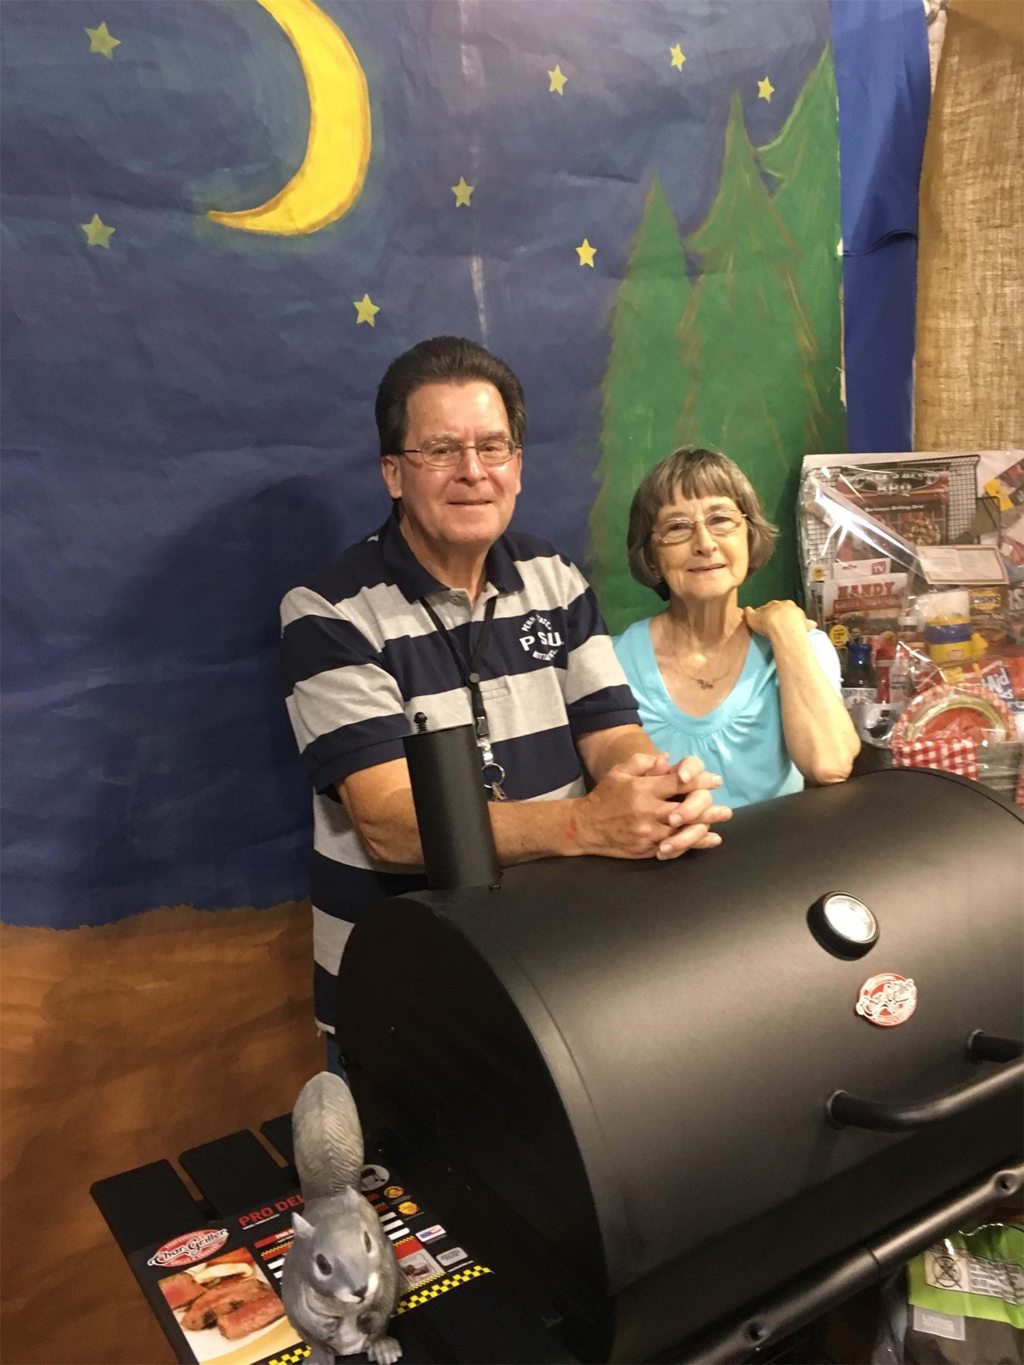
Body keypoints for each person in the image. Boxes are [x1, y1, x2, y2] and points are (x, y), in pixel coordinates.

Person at [280, 339, 730, 1051]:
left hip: (554, 975)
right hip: (402, 996)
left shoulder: (555, 576)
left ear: (517, 465)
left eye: (493, 447)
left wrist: (651, 789)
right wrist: (587, 825)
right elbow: (389, 826)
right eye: (440, 451)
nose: (473, 473)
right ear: (393, 473)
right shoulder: (328, 612)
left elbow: (612, 733)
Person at [614, 446, 859, 809]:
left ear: (749, 534)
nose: (705, 544)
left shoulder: (802, 645)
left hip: (776, 862)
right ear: (651, 554)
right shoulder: (613, 661)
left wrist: (788, 633)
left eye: (721, 520)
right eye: (678, 527)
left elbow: (830, 765)